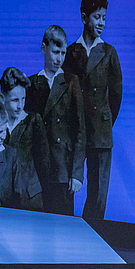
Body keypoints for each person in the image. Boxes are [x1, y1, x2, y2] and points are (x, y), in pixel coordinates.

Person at [63, 0, 123, 220]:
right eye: (97, 17)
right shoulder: (70, 52)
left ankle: (93, 235)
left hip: (100, 133)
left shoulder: (109, 53)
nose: (101, 23)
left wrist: (105, 122)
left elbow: (116, 96)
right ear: (84, 17)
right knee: (68, 186)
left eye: (104, 18)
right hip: (74, 133)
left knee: (98, 194)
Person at [26, 25, 85, 216]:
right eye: (55, 52)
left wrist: (76, 174)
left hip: (63, 170)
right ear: (44, 48)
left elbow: (80, 130)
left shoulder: (71, 82)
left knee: (63, 224)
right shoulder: (32, 84)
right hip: (37, 167)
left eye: (63, 53)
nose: (59, 58)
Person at [0, 67, 47, 211]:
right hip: (4, 198)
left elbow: (44, 163)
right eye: (15, 100)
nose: (20, 105)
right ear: (2, 99)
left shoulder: (34, 121)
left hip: (30, 197)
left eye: (23, 99)